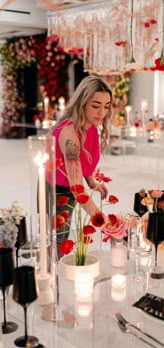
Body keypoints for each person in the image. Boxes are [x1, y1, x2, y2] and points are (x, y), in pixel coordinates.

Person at [51, 75, 113, 253]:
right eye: (95, 106)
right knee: (57, 243)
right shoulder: (69, 134)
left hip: (71, 188)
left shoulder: (91, 126)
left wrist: (92, 182)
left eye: (106, 106)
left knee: (64, 239)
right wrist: (103, 221)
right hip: (57, 191)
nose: (102, 112)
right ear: (82, 102)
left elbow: (82, 164)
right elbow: (77, 188)